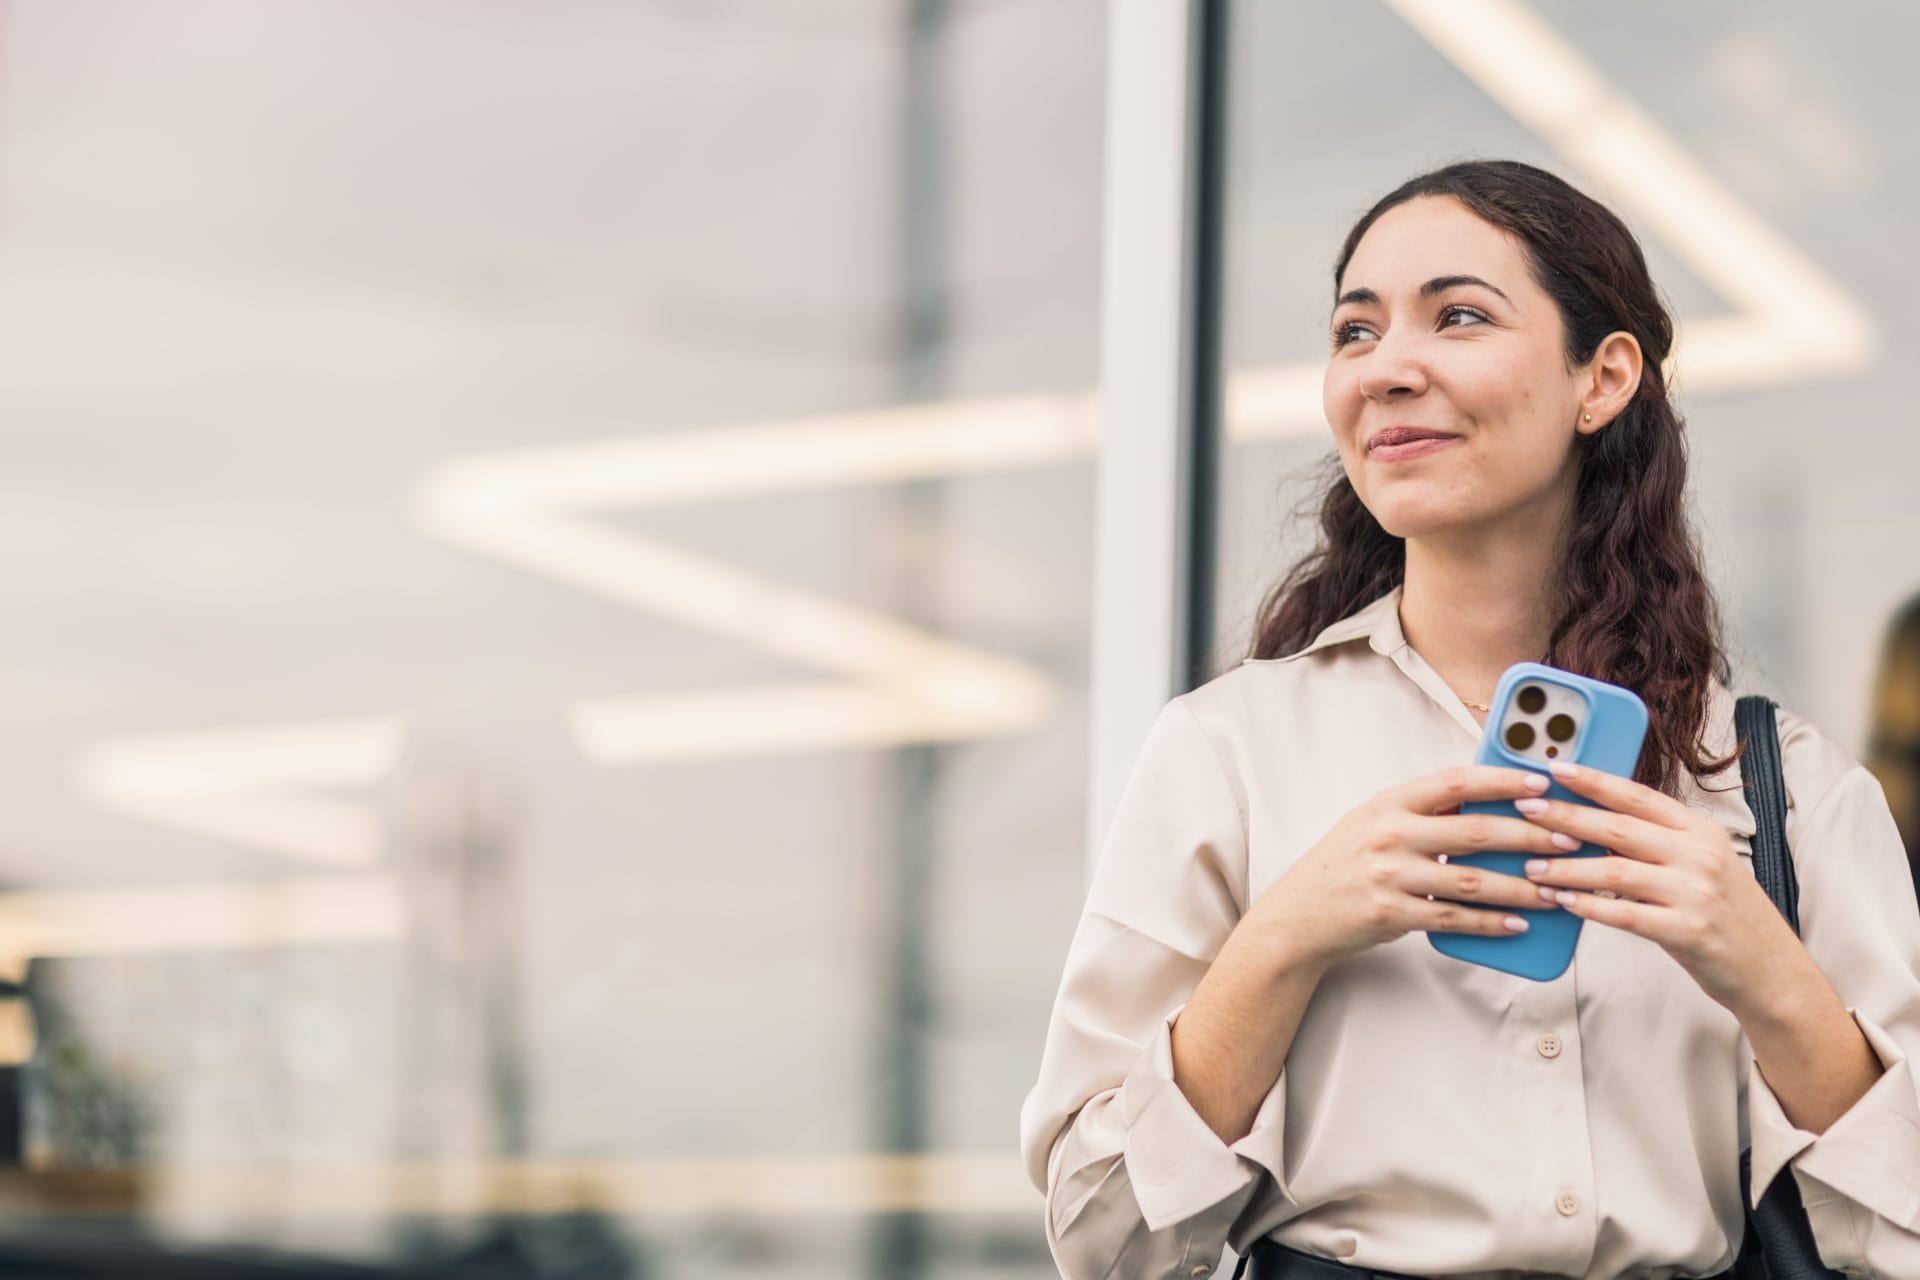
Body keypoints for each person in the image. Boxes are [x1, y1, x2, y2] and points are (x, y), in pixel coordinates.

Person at [1019, 160, 1920, 1279]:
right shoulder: (1229, 749)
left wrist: (1758, 962)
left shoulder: (1775, 781)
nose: (1389, 368)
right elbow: (1104, 1240)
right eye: (1355, 331)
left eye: (1457, 316)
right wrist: (1284, 935)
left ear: (1604, 378)